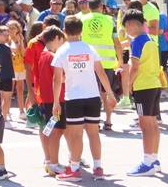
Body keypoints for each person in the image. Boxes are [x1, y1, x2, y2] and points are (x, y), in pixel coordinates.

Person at [51, 15, 117, 181]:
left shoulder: (62, 50)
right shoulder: (89, 48)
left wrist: (56, 102)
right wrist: (109, 93)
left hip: (74, 98)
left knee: (76, 135)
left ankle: (74, 169)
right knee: (94, 133)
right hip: (93, 96)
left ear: (64, 31)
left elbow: (57, 79)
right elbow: (101, 73)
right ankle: (98, 167)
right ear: (81, 31)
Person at [123, 9, 163, 176]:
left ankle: (147, 162)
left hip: (143, 86)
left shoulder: (137, 41)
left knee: (145, 125)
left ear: (132, 24)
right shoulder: (150, 39)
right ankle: (153, 158)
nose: (126, 30)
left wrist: (128, 85)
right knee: (152, 123)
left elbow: (135, 67)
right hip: (154, 84)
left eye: (126, 26)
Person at [81, 0, 122, 130]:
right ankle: (108, 120)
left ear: (88, 6)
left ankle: (95, 121)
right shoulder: (110, 21)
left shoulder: (81, 20)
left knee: (94, 93)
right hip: (108, 63)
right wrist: (120, 60)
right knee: (107, 93)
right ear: (101, 7)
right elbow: (116, 42)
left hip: (89, 63)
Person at [35, 26, 67, 176]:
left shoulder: (43, 54)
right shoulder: (52, 57)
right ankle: (53, 163)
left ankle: (49, 161)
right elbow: (59, 78)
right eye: (62, 40)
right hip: (56, 99)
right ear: (56, 38)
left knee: (48, 129)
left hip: (48, 99)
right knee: (56, 131)